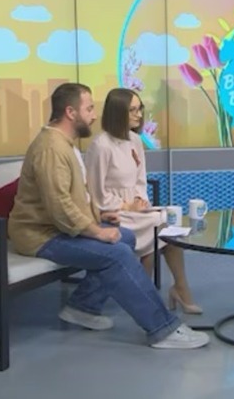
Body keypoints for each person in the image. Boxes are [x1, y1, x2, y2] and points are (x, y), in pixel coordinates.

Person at [8, 82, 209, 349]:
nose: (94, 115)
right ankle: (162, 329)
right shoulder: (51, 149)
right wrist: (97, 231)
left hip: (56, 228)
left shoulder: (64, 144)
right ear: (70, 112)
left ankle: (83, 306)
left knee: (126, 237)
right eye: (89, 109)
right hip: (41, 236)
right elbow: (60, 207)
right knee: (118, 253)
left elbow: (76, 197)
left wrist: (101, 215)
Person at [85, 88, 202, 314]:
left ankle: (178, 288)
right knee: (156, 227)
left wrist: (140, 201)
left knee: (166, 222)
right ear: (117, 112)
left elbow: (140, 179)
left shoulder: (135, 140)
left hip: (136, 210)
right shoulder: (101, 146)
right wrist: (126, 206)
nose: (139, 115)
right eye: (132, 110)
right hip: (111, 212)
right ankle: (148, 296)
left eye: (140, 109)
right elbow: (96, 193)